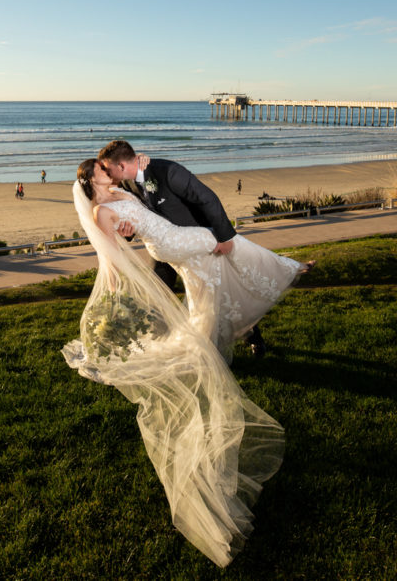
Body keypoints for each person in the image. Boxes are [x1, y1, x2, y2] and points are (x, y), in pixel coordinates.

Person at [61, 158, 304, 566]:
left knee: (215, 266)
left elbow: (141, 212)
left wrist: (132, 220)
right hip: (171, 244)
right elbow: (114, 251)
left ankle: (250, 302)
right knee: (219, 249)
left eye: (109, 167)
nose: (109, 172)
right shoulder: (102, 210)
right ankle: (270, 281)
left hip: (172, 237)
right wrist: (124, 272)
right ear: (92, 179)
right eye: (103, 170)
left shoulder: (122, 192)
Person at [98, 140, 300, 357]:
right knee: (157, 292)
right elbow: (137, 217)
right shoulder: (126, 184)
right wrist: (128, 232)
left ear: (121, 166)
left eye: (108, 169)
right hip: (164, 248)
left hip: (194, 241)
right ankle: (161, 340)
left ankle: (252, 335)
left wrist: (224, 237)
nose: (107, 174)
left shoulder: (168, 172)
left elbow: (207, 198)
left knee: (219, 290)